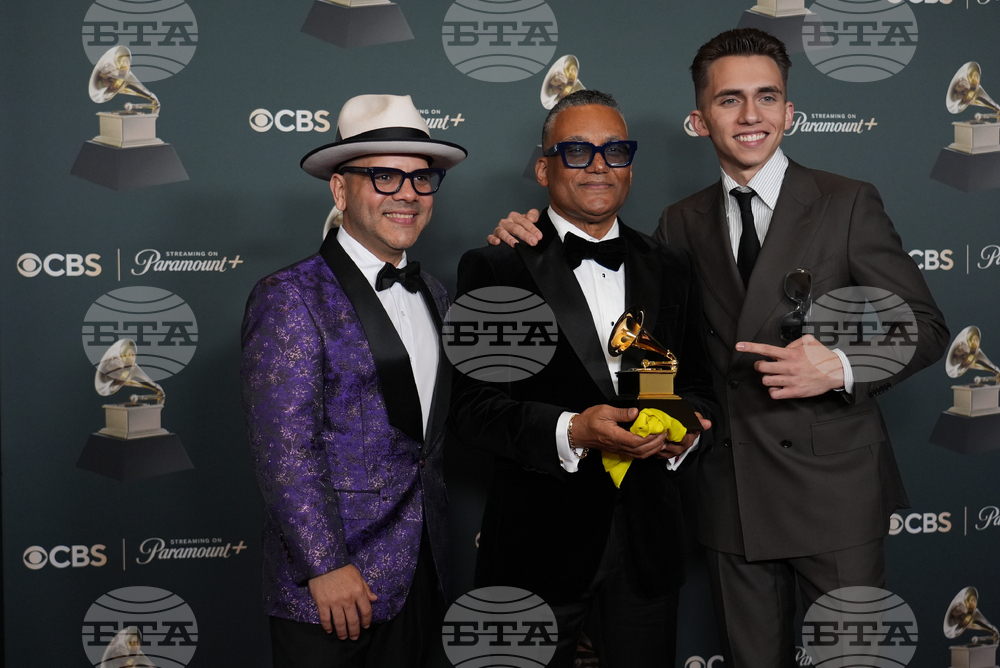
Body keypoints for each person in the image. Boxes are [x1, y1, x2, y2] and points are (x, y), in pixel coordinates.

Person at [488, 30, 949, 668]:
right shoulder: (679, 221)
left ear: (790, 110)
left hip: (835, 495)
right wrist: (528, 235)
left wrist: (840, 365)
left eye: (768, 97)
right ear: (701, 119)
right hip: (731, 497)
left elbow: (923, 326)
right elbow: (623, 315)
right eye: (730, 100)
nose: (751, 115)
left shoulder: (847, 202)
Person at [451, 89, 717, 667]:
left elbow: (694, 385)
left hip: (646, 547)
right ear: (544, 167)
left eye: (615, 150)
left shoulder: (669, 266)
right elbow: (473, 409)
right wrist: (573, 430)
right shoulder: (496, 265)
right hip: (534, 550)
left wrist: (684, 433)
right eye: (576, 151)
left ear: (630, 164)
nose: (599, 165)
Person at [241, 94, 466, 668]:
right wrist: (324, 564)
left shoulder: (436, 294)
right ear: (340, 191)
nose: (408, 194)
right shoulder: (289, 296)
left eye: (421, 178)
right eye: (385, 176)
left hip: (426, 573)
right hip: (334, 587)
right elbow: (284, 448)